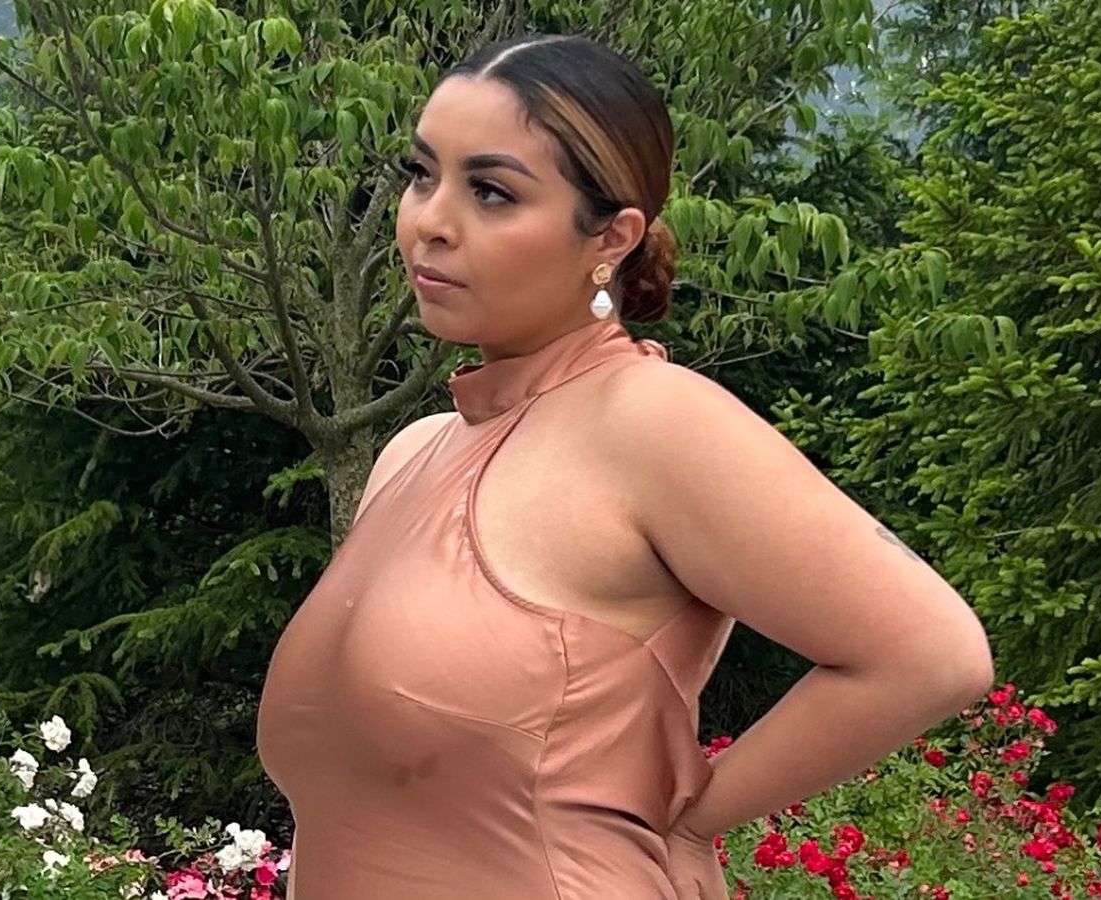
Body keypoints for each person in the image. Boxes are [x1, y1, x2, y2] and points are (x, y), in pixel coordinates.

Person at [255, 33, 995, 900]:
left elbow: (932, 654)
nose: (430, 221)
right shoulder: (413, 454)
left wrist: (696, 818)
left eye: (491, 191)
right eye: (422, 175)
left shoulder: (652, 422)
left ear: (611, 236)